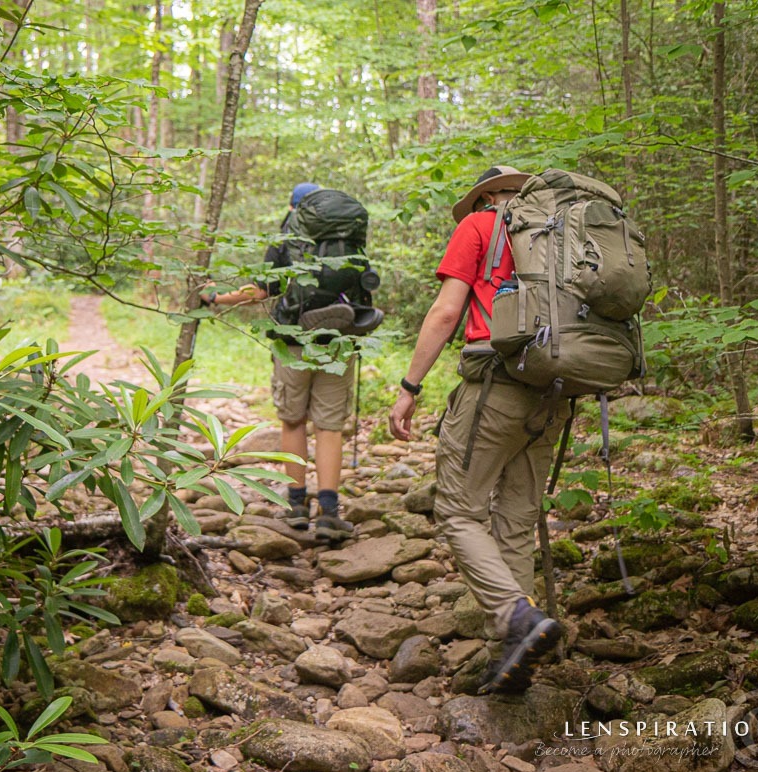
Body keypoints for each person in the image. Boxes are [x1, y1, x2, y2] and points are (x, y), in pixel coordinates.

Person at [387, 166, 568, 693]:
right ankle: (511, 656)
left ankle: (516, 618)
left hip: (494, 384)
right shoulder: (560, 233)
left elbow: (447, 313)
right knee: (515, 521)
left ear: (488, 195)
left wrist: (409, 387)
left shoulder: (481, 226)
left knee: (457, 510)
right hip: (555, 390)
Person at [201, 182, 355, 540]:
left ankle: (297, 505)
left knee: (293, 421)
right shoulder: (347, 239)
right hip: (339, 342)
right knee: (330, 426)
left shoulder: (287, 237)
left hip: (293, 343)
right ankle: (330, 513)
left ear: (293, 207)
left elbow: (259, 291)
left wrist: (214, 296)